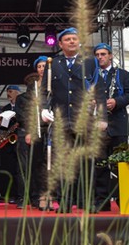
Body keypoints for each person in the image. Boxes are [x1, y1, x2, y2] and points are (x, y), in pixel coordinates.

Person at [40, 28, 105, 212]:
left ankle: (88, 202)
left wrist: (102, 117)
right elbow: (44, 90)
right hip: (61, 120)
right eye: (67, 39)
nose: (71, 41)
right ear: (60, 44)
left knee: (86, 162)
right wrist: (43, 109)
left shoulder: (90, 62)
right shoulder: (53, 63)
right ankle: (65, 202)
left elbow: (99, 90)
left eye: (74, 38)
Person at [91, 43, 129, 211]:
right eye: (97, 55)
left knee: (120, 164)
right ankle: (102, 202)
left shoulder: (122, 74)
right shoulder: (91, 76)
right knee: (100, 165)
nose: (100, 57)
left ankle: (123, 199)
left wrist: (117, 101)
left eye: (103, 54)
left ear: (110, 55)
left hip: (118, 125)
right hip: (98, 126)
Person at [15, 57, 50, 209]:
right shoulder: (25, 96)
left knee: (41, 166)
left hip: (46, 132)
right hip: (29, 132)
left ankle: (39, 197)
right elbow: (23, 115)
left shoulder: (51, 91)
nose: (42, 69)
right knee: (25, 167)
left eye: (44, 66)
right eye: (39, 66)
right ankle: (24, 197)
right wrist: (30, 130)